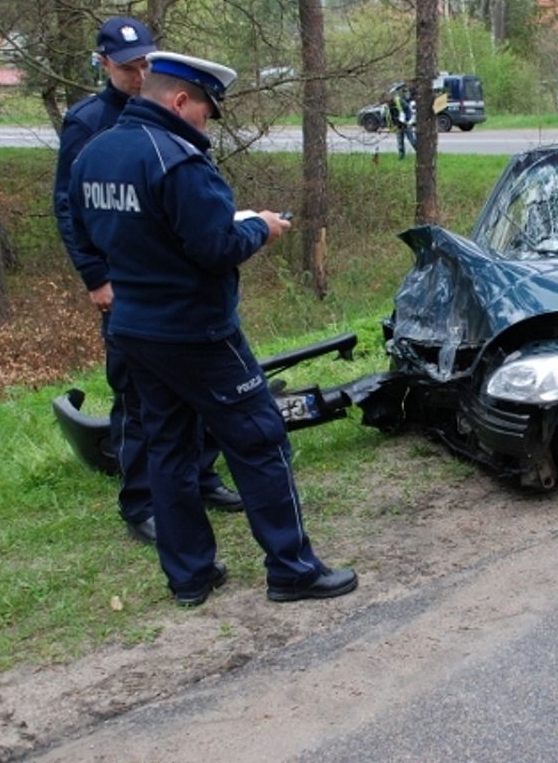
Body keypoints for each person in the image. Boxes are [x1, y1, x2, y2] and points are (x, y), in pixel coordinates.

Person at [68, 51, 358, 606]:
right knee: (260, 441)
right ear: (180, 101)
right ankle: (293, 570)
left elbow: (92, 232)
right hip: (197, 332)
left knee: (169, 450)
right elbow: (215, 248)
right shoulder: (178, 161)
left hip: (133, 327)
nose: (205, 122)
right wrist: (260, 228)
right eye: (205, 110)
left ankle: (190, 577)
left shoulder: (95, 153)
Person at [53, 17, 244, 546]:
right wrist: (95, 276)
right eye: (129, 65)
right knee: (138, 397)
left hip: (183, 287)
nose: (140, 73)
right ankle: (140, 501)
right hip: (128, 287)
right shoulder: (89, 122)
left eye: (146, 62)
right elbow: (70, 207)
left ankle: (200, 476)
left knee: (199, 384)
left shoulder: (168, 112)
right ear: (104, 63)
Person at [388, 82, 417, 159]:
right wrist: (395, 124)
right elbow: (391, 116)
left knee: (412, 140)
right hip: (398, 125)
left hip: (406, 123)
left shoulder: (399, 101)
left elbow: (408, 110)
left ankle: (420, 154)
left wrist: (407, 120)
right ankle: (401, 157)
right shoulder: (389, 105)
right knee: (400, 142)